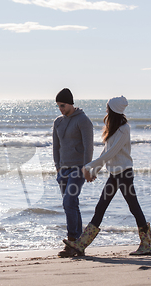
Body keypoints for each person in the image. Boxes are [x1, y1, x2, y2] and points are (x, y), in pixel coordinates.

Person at [63, 96, 151, 256]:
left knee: (134, 207)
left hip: (124, 174)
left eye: (108, 107)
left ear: (114, 109)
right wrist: (94, 170)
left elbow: (112, 152)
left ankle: (145, 244)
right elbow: (106, 152)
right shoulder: (112, 126)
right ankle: (81, 245)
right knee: (100, 207)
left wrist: (89, 166)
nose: (106, 109)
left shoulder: (124, 128)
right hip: (114, 174)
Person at [53, 88, 94, 257]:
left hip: (78, 168)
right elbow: (56, 145)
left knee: (69, 202)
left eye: (62, 105)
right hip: (63, 169)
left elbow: (88, 146)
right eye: (58, 106)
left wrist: (87, 167)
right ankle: (78, 244)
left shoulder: (83, 120)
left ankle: (71, 241)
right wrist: (57, 166)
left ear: (70, 103)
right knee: (72, 204)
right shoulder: (58, 122)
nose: (61, 109)